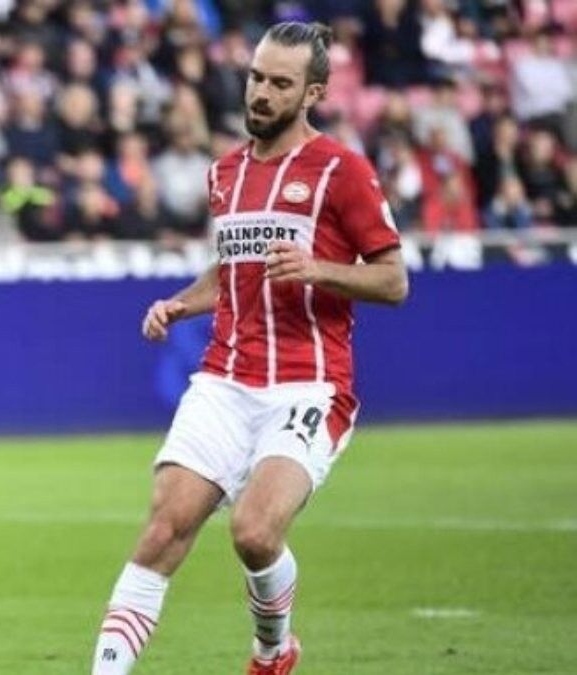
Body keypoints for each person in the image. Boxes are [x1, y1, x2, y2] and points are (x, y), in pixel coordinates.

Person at [90, 22, 409, 675]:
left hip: (308, 384)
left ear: (312, 93)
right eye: (257, 77)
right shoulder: (225, 173)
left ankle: (273, 649)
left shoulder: (342, 170)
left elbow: (393, 279)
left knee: (255, 532)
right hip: (224, 379)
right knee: (163, 528)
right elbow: (232, 269)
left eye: (280, 83)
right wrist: (181, 302)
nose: (261, 93)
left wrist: (320, 269)